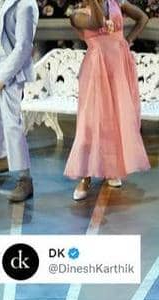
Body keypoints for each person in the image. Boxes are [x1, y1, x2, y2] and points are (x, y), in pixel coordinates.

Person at [65, 0, 149, 200]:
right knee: (91, 122)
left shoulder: (117, 3)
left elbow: (143, 18)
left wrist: (127, 40)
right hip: (96, 69)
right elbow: (96, 22)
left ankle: (111, 169)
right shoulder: (77, 14)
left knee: (116, 120)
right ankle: (85, 176)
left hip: (119, 65)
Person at [0, 0, 38, 202]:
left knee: (12, 125)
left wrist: (2, 77)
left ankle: (25, 178)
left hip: (10, 71)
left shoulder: (26, 5)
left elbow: (24, 47)